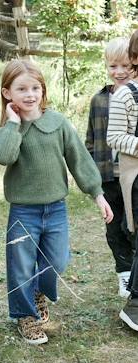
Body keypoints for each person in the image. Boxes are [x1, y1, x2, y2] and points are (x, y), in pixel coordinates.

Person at [0, 59, 113, 345]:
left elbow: (78, 159)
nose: (30, 94)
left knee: (56, 260)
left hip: (55, 208)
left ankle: (37, 293)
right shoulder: (10, 128)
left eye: (36, 88)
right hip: (23, 211)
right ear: (8, 93)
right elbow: (4, 156)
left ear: (43, 91)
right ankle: (26, 317)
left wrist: (97, 193)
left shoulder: (57, 123)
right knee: (21, 266)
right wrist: (13, 124)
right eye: (22, 89)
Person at [85, 37, 134, 298]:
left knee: (132, 225)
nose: (119, 72)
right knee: (114, 228)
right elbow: (91, 141)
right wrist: (93, 178)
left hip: (132, 177)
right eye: (113, 66)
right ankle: (124, 274)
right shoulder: (99, 100)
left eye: (126, 65)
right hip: (107, 177)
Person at [107, 29, 138, 331]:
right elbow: (108, 139)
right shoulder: (117, 97)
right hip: (124, 175)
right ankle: (131, 293)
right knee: (127, 231)